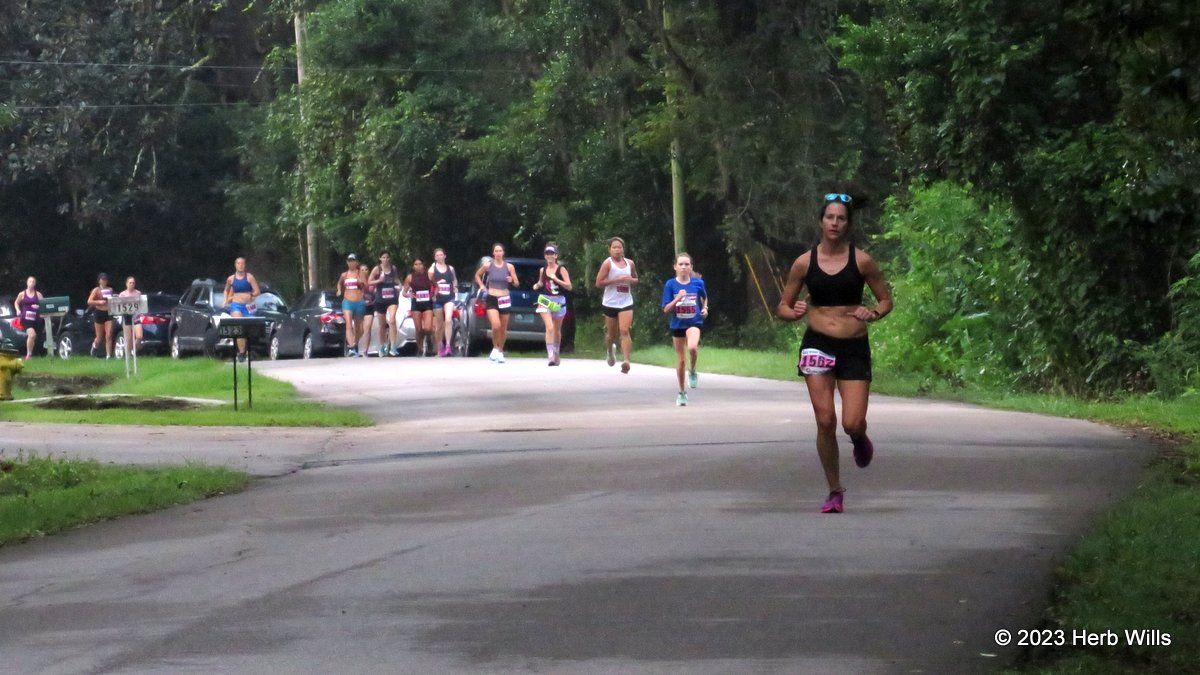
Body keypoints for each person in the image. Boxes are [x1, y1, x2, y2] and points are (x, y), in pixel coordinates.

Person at [775, 193, 893, 514]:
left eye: (841, 219)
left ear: (849, 224)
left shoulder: (862, 261)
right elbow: (782, 306)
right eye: (830, 217)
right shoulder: (804, 262)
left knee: (852, 422)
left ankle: (859, 438)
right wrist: (794, 311)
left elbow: (885, 300)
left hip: (853, 346)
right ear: (821, 221)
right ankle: (834, 490)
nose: (835, 223)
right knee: (825, 419)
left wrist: (874, 313)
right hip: (817, 345)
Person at [661, 252, 708, 405]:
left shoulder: (697, 283)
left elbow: (704, 297)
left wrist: (705, 308)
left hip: (694, 321)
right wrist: (677, 298)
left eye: (687, 264)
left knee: (693, 347)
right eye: (680, 264)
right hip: (677, 325)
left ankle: (693, 371)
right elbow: (666, 309)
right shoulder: (670, 284)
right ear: (675, 267)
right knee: (681, 360)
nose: (683, 267)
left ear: (691, 267)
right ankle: (681, 392)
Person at [595, 236, 638, 373]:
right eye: (614, 247)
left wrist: (630, 280)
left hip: (626, 302)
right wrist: (615, 280)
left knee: (624, 331)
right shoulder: (607, 264)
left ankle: (626, 361)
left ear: (623, 249)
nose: (617, 250)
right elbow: (598, 283)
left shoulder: (630, 263)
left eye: (619, 247)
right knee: (611, 335)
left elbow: (636, 279)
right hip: (610, 302)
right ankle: (610, 351)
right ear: (609, 250)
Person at [474, 243, 518, 363]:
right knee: (496, 325)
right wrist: (482, 286)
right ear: (493, 253)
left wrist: (512, 280)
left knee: (503, 328)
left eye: (500, 251)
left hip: (504, 298)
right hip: (492, 297)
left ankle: (500, 351)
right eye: (496, 251)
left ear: (503, 253)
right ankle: (494, 347)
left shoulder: (509, 267)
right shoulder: (488, 265)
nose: (498, 253)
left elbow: (517, 283)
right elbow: (477, 275)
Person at [533, 242, 572, 366]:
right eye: (547, 254)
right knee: (549, 327)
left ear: (556, 256)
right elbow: (541, 282)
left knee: (556, 330)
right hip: (545, 299)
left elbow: (569, 286)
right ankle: (550, 356)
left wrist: (556, 279)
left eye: (552, 254)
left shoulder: (561, 269)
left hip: (559, 301)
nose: (549, 256)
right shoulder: (542, 270)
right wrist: (537, 285)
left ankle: (556, 352)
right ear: (545, 256)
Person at [224, 257, 261, 361]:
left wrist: (251, 295)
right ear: (235, 265)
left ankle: (246, 351)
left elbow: (257, 291)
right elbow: (226, 291)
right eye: (238, 263)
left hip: (249, 306)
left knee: (248, 329)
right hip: (236, 306)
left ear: (245, 265)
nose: (240, 265)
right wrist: (226, 300)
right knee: (239, 325)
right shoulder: (231, 279)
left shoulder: (249, 277)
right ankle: (241, 353)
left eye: (242, 264)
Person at [368, 251, 401, 357]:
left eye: (387, 257)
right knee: (382, 325)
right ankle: (382, 346)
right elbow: (369, 282)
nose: (386, 259)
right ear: (380, 258)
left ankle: (393, 346)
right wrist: (379, 280)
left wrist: (400, 285)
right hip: (380, 300)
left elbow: (396, 279)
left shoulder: (393, 268)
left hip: (392, 299)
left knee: (392, 320)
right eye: (383, 257)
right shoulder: (377, 269)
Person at [337, 254, 369, 357]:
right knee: (349, 324)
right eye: (349, 260)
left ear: (357, 262)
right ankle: (351, 347)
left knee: (360, 329)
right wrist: (339, 290)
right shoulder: (344, 275)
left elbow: (366, 286)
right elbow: (339, 283)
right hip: (347, 301)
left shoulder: (361, 273)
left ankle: (355, 344)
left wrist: (361, 283)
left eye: (353, 260)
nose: (351, 262)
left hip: (359, 301)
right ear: (347, 262)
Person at [403, 258, 435, 356]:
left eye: (420, 264)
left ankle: (429, 339)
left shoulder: (429, 275)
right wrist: (409, 295)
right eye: (416, 264)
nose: (418, 266)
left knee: (428, 328)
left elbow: (436, 286)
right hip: (416, 304)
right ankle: (420, 349)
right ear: (413, 266)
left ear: (423, 265)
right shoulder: (410, 277)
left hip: (427, 304)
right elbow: (404, 292)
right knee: (418, 329)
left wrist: (433, 294)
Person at [430, 248, 458, 357]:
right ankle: (440, 346)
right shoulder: (433, 269)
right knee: (439, 324)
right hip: (437, 299)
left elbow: (454, 279)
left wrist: (455, 287)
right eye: (437, 255)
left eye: (441, 255)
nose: (439, 257)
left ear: (445, 256)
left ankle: (448, 346)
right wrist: (437, 283)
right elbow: (428, 280)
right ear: (435, 257)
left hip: (449, 297)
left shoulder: (450, 268)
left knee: (448, 319)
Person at [86, 272, 116, 358]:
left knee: (109, 334)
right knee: (99, 337)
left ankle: (108, 356)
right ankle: (95, 346)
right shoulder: (96, 290)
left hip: (108, 313)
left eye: (105, 279)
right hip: (99, 312)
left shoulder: (110, 289)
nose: (104, 281)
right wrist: (98, 302)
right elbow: (89, 301)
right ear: (99, 281)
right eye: (102, 279)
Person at [13, 276, 43, 360]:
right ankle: (28, 355)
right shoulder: (22, 294)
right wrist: (18, 310)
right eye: (30, 281)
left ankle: (32, 353)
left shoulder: (38, 294)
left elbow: (44, 305)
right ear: (27, 283)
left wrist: (38, 306)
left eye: (33, 282)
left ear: (35, 284)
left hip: (36, 318)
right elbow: (16, 302)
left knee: (34, 336)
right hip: (26, 318)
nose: (31, 283)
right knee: (32, 334)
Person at [118, 276, 145, 354]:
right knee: (128, 339)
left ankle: (134, 349)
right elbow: (119, 307)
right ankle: (128, 355)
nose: (132, 284)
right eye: (130, 283)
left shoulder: (138, 293)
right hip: (127, 317)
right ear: (126, 284)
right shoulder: (122, 294)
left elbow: (141, 305)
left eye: (133, 283)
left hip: (136, 316)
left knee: (139, 336)